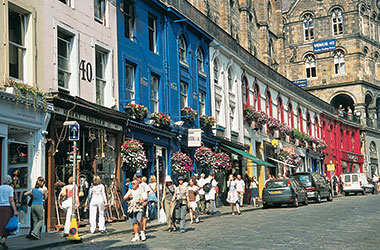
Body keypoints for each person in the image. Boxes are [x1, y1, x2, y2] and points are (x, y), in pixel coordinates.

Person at [0, 175, 18, 249]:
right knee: (7, 225)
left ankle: (3, 242)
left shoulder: (0, 188)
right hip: (7, 207)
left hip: (0, 207)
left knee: (1, 223)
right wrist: (15, 210)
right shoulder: (10, 188)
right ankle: (3, 240)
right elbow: (11, 200)